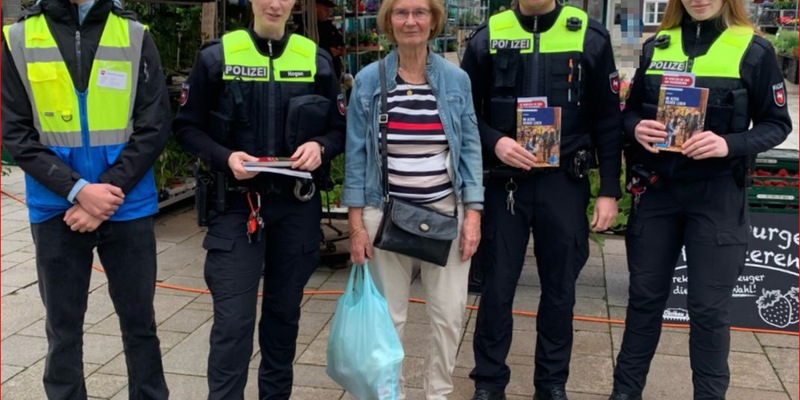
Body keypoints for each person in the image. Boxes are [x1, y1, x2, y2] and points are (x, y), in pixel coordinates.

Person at [609, 0, 792, 399]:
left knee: (709, 311)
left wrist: (729, 144)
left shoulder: (753, 49)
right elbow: (630, 111)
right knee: (644, 300)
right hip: (659, 191)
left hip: (717, 195)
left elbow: (776, 125)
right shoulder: (656, 46)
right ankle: (624, 393)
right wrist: (637, 126)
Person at [172, 0, 346, 396]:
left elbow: (339, 129)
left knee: (283, 319)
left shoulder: (314, 59)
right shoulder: (217, 57)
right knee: (233, 324)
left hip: (296, 207)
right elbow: (186, 127)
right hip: (236, 206)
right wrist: (224, 157)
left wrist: (321, 146)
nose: (274, 3)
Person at [1, 0, 171, 398]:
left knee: (140, 325)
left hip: (125, 205)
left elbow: (155, 123)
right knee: (63, 330)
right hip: (57, 208)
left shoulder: (133, 35)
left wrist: (105, 193)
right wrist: (78, 191)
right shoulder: (19, 38)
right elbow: (15, 134)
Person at [461, 0, 623, 398]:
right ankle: (488, 382)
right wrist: (495, 142)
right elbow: (463, 110)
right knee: (496, 289)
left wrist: (609, 191)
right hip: (505, 185)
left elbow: (608, 118)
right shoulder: (488, 36)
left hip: (564, 182)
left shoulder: (589, 34)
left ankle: (551, 384)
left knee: (559, 291)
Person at [342, 0, 484, 396]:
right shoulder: (369, 80)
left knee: (449, 317)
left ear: (433, 20)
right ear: (388, 22)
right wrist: (355, 227)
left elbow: (470, 147)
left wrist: (472, 214)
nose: (410, 21)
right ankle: (390, 392)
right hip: (383, 214)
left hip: (445, 211)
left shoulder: (457, 81)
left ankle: (437, 392)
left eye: (420, 12)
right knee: (388, 320)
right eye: (401, 13)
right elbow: (356, 155)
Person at [296, 0, 347, 80]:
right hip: (318, 76)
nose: (328, 13)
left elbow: (339, 40)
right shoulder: (305, 28)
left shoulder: (328, 25)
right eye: (325, 10)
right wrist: (328, 52)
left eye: (330, 11)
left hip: (334, 74)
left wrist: (342, 48)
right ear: (315, 8)